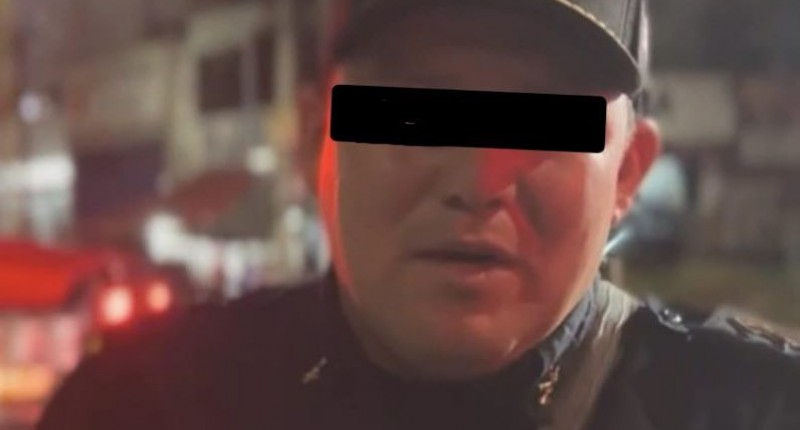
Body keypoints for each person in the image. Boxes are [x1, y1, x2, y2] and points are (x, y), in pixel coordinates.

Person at [37, 1, 800, 429]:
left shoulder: (754, 412)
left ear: (628, 171)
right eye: (411, 115)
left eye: (542, 122)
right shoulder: (139, 406)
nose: (476, 181)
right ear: (314, 140)